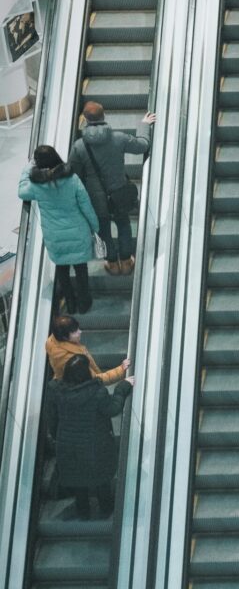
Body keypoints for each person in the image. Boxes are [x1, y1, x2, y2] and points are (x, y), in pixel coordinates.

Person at [67, 101, 154, 276]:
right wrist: (143, 125)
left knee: (103, 229)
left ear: (85, 119)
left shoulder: (79, 146)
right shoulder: (118, 138)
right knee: (123, 224)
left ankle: (112, 263)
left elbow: (73, 174)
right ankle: (127, 261)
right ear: (103, 116)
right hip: (119, 193)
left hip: (94, 198)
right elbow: (143, 145)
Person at [44, 354, 133, 519]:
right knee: (101, 479)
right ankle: (106, 509)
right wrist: (122, 387)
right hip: (95, 446)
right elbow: (113, 409)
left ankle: (83, 512)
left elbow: (52, 418)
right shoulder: (97, 392)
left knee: (78, 481)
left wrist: (59, 436)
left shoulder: (57, 392)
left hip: (68, 447)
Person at [17, 146, 100, 314]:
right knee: (81, 269)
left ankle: (70, 302)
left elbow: (21, 192)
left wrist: (28, 168)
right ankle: (84, 303)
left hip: (54, 236)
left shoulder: (36, 185)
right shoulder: (72, 179)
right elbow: (86, 205)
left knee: (62, 270)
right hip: (78, 231)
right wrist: (94, 226)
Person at [46, 315, 129, 383]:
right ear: (64, 337)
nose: (80, 331)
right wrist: (121, 370)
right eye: (75, 331)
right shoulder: (72, 361)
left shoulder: (54, 341)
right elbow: (96, 380)